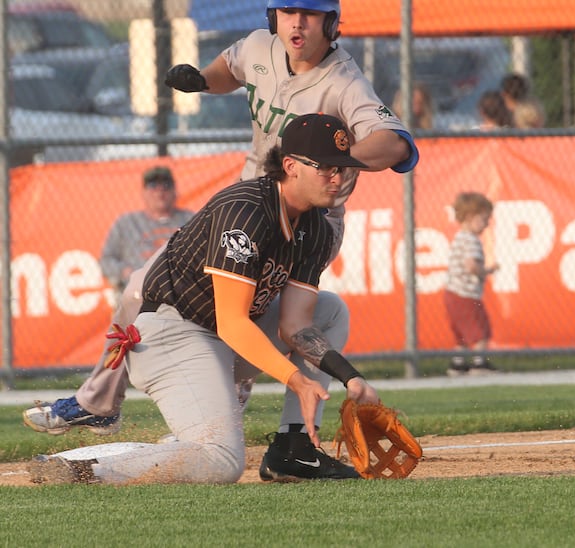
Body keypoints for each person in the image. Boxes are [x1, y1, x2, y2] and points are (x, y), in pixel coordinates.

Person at [22, 0, 418, 481]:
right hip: (251, 210)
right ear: (273, 18)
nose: (298, 23)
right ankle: (103, 403)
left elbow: (396, 143)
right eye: (288, 12)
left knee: (323, 313)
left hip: (300, 203)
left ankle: (289, 442)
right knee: (145, 293)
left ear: (332, 23)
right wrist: (203, 82)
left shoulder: (342, 85)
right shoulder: (257, 50)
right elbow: (231, 68)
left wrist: (331, 162)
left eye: (311, 14)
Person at [27, 113, 381, 485]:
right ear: (290, 166)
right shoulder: (246, 211)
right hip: (172, 332)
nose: (338, 178)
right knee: (222, 460)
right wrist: (296, 380)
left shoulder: (316, 229)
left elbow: (295, 326)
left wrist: (350, 378)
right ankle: (83, 468)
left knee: (330, 309)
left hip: (221, 340)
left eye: (343, 168)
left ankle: (294, 449)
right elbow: (232, 321)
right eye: (326, 167)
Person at [99, 166, 193, 305]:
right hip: (137, 296)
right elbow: (105, 261)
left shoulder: (190, 220)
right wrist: (124, 272)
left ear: (175, 191)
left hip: (181, 296)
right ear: (143, 193)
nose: (160, 191)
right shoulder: (126, 223)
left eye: (166, 185)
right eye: (153, 185)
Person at [444, 192, 498, 376]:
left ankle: (457, 364)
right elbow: (471, 265)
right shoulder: (471, 240)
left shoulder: (459, 237)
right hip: (465, 294)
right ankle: (479, 363)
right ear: (470, 217)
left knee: (461, 333)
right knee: (481, 329)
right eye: (484, 219)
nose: (487, 224)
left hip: (451, 293)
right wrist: (486, 271)